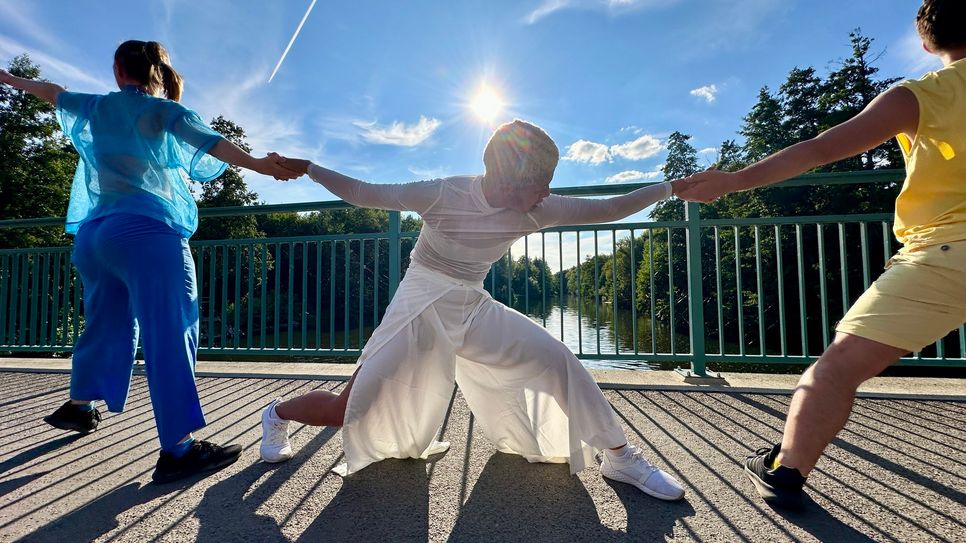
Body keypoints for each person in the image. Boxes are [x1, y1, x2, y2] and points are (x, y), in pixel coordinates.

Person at [259, 119, 687, 501]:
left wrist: (673, 188)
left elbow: (609, 209)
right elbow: (363, 192)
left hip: (471, 304)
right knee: (345, 410)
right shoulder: (442, 193)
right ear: (505, 181)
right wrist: (310, 168)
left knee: (559, 358)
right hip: (420, 305)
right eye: (540, 184)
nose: (548, 193)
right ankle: (275, 415)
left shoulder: (540, 208)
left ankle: (620, 457)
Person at [676, 0, 966, 509]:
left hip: (947, 253)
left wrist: (733, 181)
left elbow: (819, 148)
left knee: (835, 369)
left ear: (926, 43)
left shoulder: (921, 96)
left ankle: (785, 470)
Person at [0, 40, 297, 483]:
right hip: (147, 232)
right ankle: (178, 449)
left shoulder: (97, 107)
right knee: (171, 330)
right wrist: (259, 163)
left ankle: (80, 406)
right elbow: (214, 145)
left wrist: (8, 79)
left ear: (119, 69)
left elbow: (50, 90)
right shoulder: (165, 112)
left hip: (95, 236)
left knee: (106, 321)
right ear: (157, 72)